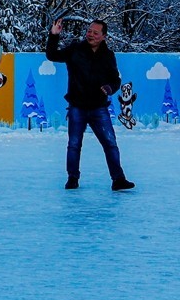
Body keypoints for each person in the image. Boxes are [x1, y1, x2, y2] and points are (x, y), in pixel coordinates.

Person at [45, 18, 135, 191]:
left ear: (103, 36)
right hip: (77, 106)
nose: (90, 35)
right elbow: (52, 55)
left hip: (99, 108)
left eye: (95, 33)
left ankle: (118, 179)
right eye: (89, 31)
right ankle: (72, 178)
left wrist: (110, 88)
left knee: (110, 143)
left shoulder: (108, 56)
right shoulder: (75, 50)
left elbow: (115, 79)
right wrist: (54, 35)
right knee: (74, 144)